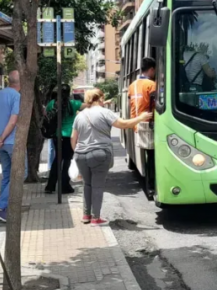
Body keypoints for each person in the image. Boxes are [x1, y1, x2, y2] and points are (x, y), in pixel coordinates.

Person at [71, 89, 152, 226]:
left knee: (87, 185)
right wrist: (141, 118)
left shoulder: (80, 116)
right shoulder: (105, 112)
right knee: (97, 186)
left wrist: (78, 152)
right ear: (101, 98)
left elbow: (73, 138)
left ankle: (86, 215)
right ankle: (96, 218)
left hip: (80, 155)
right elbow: (123, 125)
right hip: (99, 153)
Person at [0, 71, 23, 223]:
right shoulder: (16, 96)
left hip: (0, 144)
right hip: (11, 141)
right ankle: (0, 207)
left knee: (7, 175)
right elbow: (13, 120)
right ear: (20, 83)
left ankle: (3, 209)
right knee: (22, 172)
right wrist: (2, 138)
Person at [45, 86, 82, 194]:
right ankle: (64, 185)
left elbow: (47, 114)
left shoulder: (52, 103)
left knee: (57, 160)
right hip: (69, 136)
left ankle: (50, 186)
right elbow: (88, 105)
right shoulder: (73, 104)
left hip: (57, 135)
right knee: (67, 161)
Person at [129, 57, 157, 197]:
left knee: (148, 156)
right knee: (152, 157)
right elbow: (155, 105)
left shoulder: (132, 85)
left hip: (138, 124)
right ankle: (151, 187)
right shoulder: (151, 85)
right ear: (151, 69)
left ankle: (149, 186)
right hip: (150, 124)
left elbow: (132, 106)